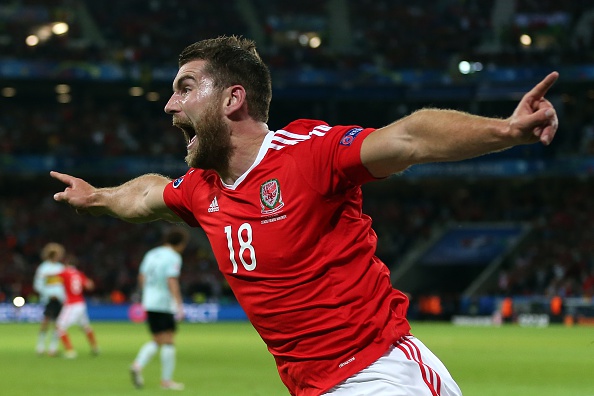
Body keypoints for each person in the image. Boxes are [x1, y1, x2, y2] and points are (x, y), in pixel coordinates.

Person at [50, 36, 559, 395]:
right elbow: (146, 195)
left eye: (185, 88)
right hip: (312, 387)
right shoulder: (204, 191)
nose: (168, 105)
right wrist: (97, 197)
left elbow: (409, 136)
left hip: (379, 376)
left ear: (232, 99)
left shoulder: (308, 153)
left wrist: (506, 132)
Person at [130, 226, 189, 391]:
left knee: (157, 339)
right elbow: (172, 280)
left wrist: (145, 295)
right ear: (180, 243)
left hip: (149, 301)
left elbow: (141, 276)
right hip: (163, 302)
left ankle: (137, 365)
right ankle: (166, 381)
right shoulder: (173, 257)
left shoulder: (152, 253)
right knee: (169, 339)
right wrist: (179, 304)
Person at [53, 255, 99, 358]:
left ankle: (70, 351)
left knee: (59, 327)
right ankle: (95, 347)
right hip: (81, 304)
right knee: (85, 326)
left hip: (71, 304)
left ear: (67, 264)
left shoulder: (65, 272)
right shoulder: (79, 274)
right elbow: (89, 285)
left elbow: (51, 277)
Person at [33, 242, 66, 356]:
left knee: (58, 324)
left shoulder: (61, 268)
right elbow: (38, 285)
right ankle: (40, 346)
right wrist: (48, 294)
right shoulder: (44, 268)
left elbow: (64, 285)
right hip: (49, 299)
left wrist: (63, 297)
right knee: (46, 321)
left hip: (60, 300)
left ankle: (53, 347)